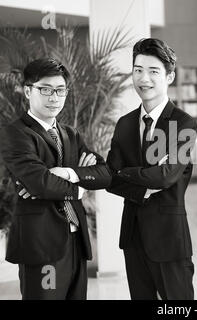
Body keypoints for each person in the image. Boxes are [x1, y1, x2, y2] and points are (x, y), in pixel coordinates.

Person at [0, 58, 112, 300]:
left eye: (60, 91)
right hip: (42, 246)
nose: (54, 97)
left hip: (76, 242)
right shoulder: (16, 133)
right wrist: (81, 189)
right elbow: (40, 182)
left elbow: (105, 174)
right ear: (28, 91)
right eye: (46, 90)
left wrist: (69, 173)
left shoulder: (70, 134)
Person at [106, 38, 197, 300]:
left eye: (153, 71)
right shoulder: (124, 124)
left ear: (169, 76)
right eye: (138, 70)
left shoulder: (183, 123)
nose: (143, 78)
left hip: (169, 240)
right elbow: (111, 179)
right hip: (133, 238)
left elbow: (166, 175)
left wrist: (125, 173)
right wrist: (140, 185)